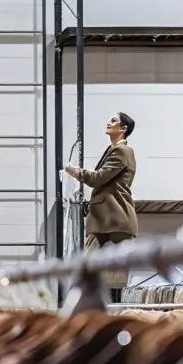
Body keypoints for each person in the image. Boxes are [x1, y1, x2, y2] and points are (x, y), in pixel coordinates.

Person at [65, 111, 139, 302]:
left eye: (114, 120)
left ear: (123, 128)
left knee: (115, 278)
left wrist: (75, 171)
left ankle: (112, 320)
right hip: (105, 219)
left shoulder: (123, 151)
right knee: (92, 270)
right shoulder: (114, 150)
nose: (109, 122)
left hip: (116, 218)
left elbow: (98, 178)